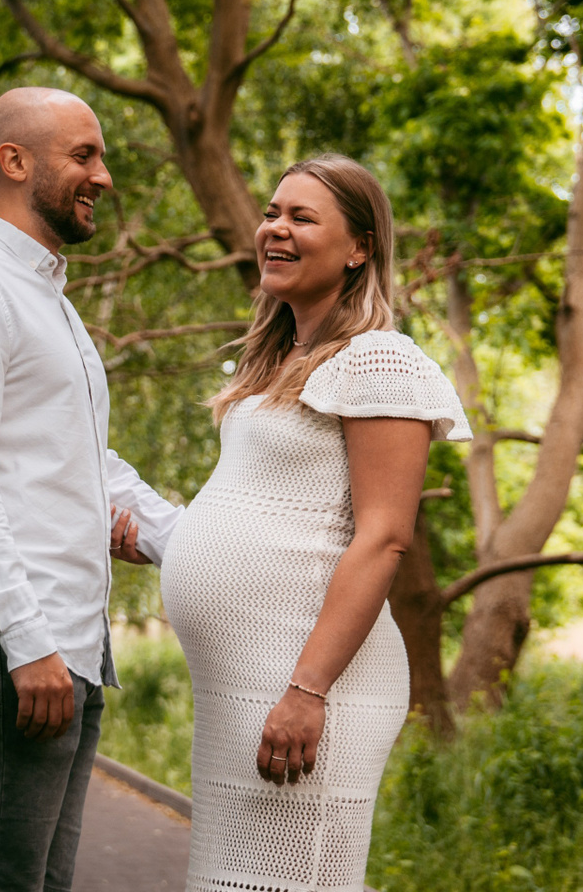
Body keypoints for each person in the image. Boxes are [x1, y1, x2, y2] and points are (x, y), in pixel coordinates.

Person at [0, 86, 183, 892]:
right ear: (15, 161)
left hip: (64, 645)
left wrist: (195, 543)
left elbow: (85, 463)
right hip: (3, 643)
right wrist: (26, 642)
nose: (105, 177)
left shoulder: (45, 298)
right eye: (84, 155)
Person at [161, 154, 470, 892]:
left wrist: (307, 691)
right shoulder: (277, 363)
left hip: (311, 683)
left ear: (359, 248)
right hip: (244, 685)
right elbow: (264, 515)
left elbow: (385, 537)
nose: (276, 228)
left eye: (303, 217)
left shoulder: (379, 361)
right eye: (272, 213)